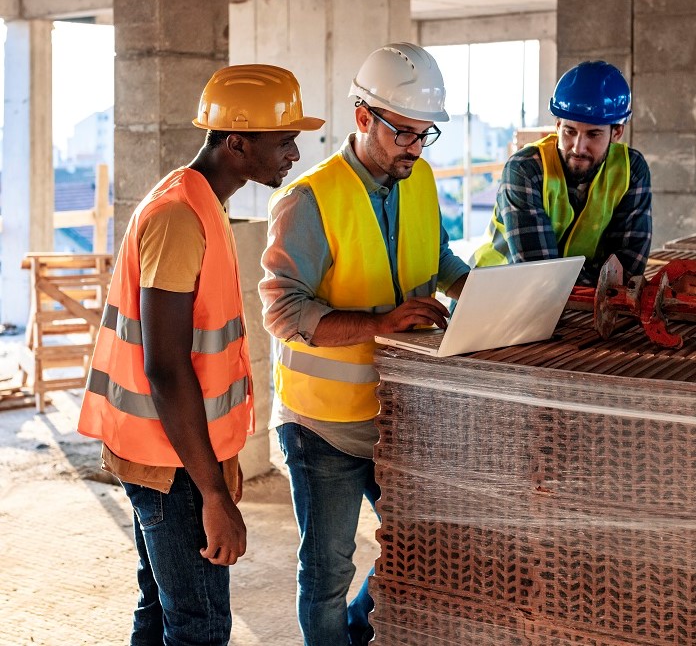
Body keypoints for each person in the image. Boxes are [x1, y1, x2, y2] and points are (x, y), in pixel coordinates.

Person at [78, 64, 323, 645]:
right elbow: (165, 367)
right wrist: (213, 493)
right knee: (200, 625)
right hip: (173, 463)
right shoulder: (179, 217)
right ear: (236, 141)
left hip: (175, 450)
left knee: (165, 610)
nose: (293, 153)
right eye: (283, 139)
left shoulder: (201, 201)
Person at [259, 42, 470, 646]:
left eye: (425, 135)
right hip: (323, 425)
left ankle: (354, 634)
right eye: (403, 132)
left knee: (418, 546)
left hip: (403, 414)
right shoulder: (308, 201)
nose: (414, 147)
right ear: (362, 118)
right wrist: (382, 323)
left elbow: (440, 257)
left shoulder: (421, 178)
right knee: (327, 572)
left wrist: (480, 290)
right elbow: (282, 310)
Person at [472, 60, 652, 286]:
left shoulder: (631, 170)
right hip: (492, 296)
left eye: (593, 134)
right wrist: (603, 281)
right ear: (557, 125)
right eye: (570, 131)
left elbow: (627, 270)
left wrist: (609, 283)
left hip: (571, 304)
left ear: (617, 132)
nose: (578, 147)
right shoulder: (525, 170)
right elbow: (541, 274)